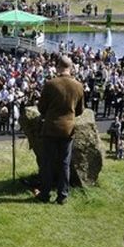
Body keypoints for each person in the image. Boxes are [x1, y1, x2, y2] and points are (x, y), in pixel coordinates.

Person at [36, 55, 85, 205]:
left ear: (58, 67)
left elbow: (41, 107)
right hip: (68, 130)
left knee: (48, 163)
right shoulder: (78, 86)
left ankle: (44, 194)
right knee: (65, 163)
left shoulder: (51, 84)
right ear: (70, 68)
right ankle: (62, 195)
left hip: (51, 128)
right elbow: (80, 110)